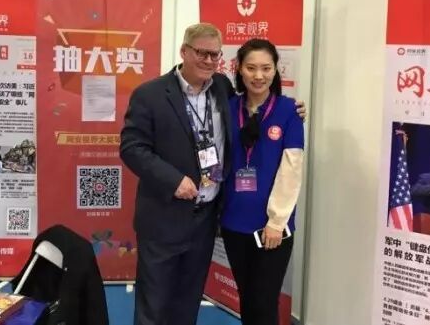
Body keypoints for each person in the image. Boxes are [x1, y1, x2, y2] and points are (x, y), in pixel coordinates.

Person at [119, 24, 305, 325]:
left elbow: (257, 111)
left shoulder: (221, 88)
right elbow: (132, 148)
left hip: (206, 219)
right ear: (184, 52)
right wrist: (173, 180)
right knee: (154, 302)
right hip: (165, 216)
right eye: (201, 53)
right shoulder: (150, 94)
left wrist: (294, 110)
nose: (208, 60)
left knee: (188, 300)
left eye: (215, 55)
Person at [220, 38, 304, 325]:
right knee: (246, 297)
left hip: (271, 226)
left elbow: (292, 168)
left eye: (266, 68)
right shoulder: (228, 108)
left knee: (264, 302)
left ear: (275, 70)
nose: (259, 75)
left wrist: (277, 221)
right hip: (233, 221)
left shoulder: (289, 111)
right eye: (251, 68)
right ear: (239, 69)